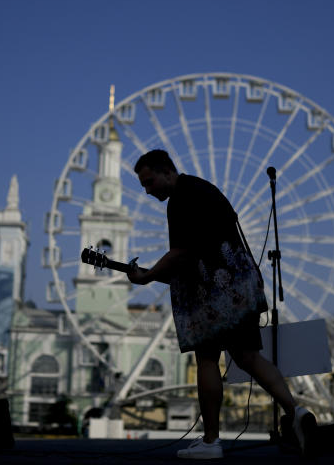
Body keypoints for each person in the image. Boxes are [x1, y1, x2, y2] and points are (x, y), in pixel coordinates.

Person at [127, 149, 314, 460]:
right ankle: (295, 412)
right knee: (249, 357)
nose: (147, 190)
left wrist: (146, 277)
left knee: (207, 360)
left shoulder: (180, 200)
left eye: (149, 182)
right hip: (242, 285)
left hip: (214, 293)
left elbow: (181, 254)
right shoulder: (207, 189)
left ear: (166, 171)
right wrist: (154, 273)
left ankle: (212, 441)